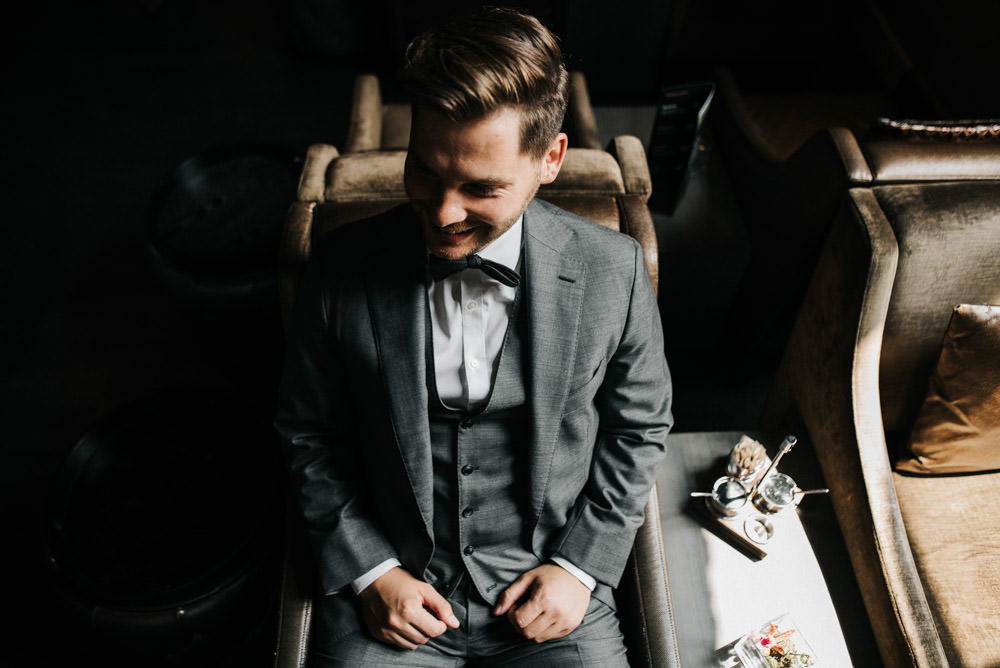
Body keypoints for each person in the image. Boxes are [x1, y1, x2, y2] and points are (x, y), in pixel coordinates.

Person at [274, 7, 672, 666]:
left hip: (554, 589)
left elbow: (641, 426)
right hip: (394, 584)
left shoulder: (614, 269)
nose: (443, 212)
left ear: (551, 159)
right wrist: (372, 571)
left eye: (481, 188)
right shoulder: (340, 267)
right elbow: (307, 432)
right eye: (427, 170)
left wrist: (578, 568)